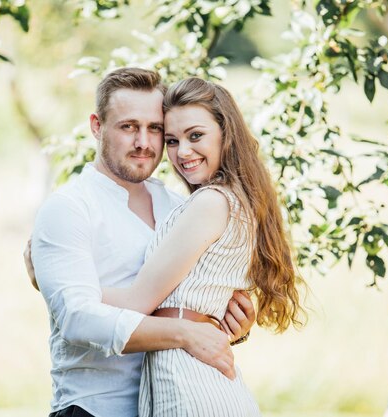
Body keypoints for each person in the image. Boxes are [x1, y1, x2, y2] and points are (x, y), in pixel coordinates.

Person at [29, 68, 256, 417]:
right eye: (128, 127)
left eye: (155, 130)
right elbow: (77, 317)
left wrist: (226, 321)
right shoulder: (69, 209)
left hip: (177, 400)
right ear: (96, 126)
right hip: (96, 408)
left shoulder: (180, 207)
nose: (143, 143)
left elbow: (194, 301)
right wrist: (183, 333)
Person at [99, 77, 305, 416]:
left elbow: (137, 302)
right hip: (195, 375)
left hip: (188, 382)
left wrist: (58, 283)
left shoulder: (211, 202)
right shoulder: (231, 200)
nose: (183, 152)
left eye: (196, 135)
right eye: (172, 140)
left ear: (227, 133)